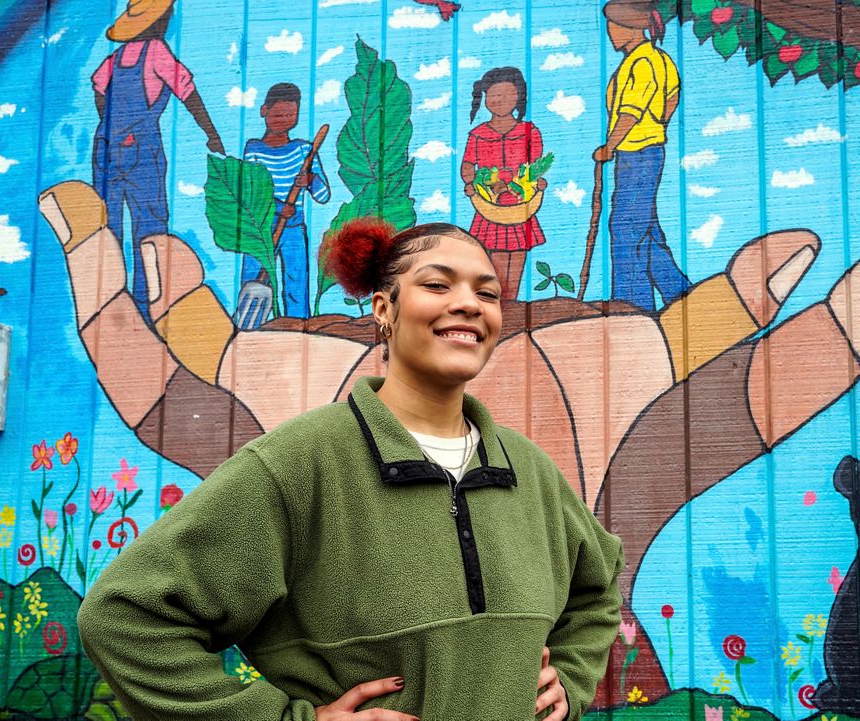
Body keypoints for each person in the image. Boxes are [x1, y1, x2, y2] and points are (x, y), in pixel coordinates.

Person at [76, 218, 625, 720]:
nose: (469, 304)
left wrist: (572, 682)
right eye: (438, 285)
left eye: (487, 293)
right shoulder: (298, 463)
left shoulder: (529, 471)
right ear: (383, 309)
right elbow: (124, 617)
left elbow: (596, 591)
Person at [92, 0, 224, 324]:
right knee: (149, 228)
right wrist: (211, 133)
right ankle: (144, 308)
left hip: (106, 149)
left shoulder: (116, 57)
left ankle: (110, 306)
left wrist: (112, 127)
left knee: (108, 228)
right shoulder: (156, 51)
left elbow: (98, 89)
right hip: (141, 151)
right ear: (159, 21)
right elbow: (187, 92)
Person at [595, 0, 688, 311]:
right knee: (644, 229)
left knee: (625, 228)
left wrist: (610, 146)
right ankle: (679, 293)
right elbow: (672, 95)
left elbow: (629, 114)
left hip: (637, 154)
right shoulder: (657, 59)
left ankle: (632, 307)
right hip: (644, 152)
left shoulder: (642, 63)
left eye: (613, 25)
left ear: (631, 27)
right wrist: (660, 121)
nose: (609, 32)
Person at [243, 82, 331, 319]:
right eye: (279, 114)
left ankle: (298, 326)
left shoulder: (303, 150)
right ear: (264, 111)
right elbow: (252, 191)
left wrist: (310, 179)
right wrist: (281, 207)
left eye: (291, 115)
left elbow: (323, 195)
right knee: (253, 278)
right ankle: (250, 330)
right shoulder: (254, 150)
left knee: (296, 283)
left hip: (292, 229)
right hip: (259, 228)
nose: (285, 119)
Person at [461, 67, 547, 301]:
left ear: (519, 96)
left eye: (508, 95)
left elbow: (535, 166)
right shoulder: (478, 134)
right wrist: (471, 182)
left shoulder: (529, 132)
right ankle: (501, 305)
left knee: (518, 256)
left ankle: (513, 305)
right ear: (485, 98)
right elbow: (468, 165)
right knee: (496, 259)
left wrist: (537, 181)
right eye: (494, 96)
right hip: (490, 206)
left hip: (520, 204)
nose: (500, 101)